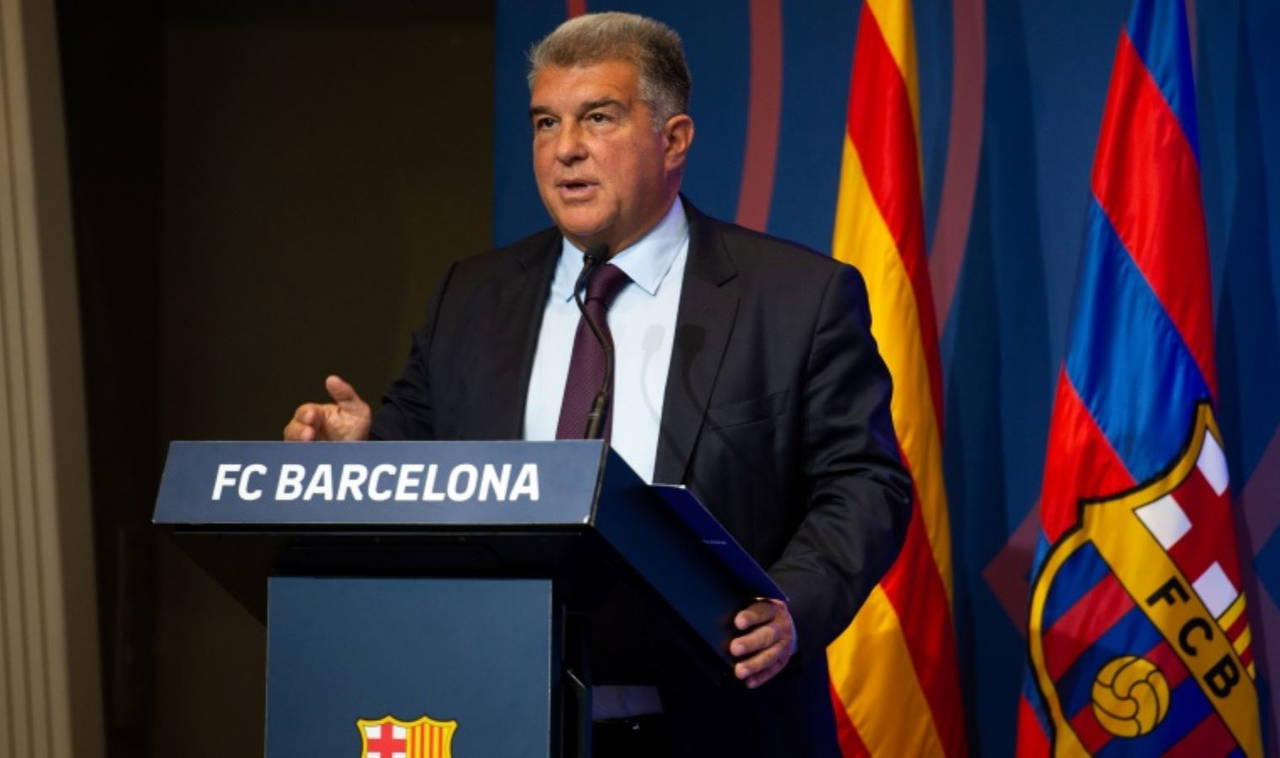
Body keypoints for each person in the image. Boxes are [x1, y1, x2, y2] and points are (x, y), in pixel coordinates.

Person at [284, 12, 910, 757]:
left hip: (719, 725)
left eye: (598, 118)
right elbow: (427, 466)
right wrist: (363, 455)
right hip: (500, 719)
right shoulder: (473, 296)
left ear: (674, 140)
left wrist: (792, 606)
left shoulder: (795, 297)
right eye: (545, 123)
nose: (565, 149)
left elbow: (864, 482)